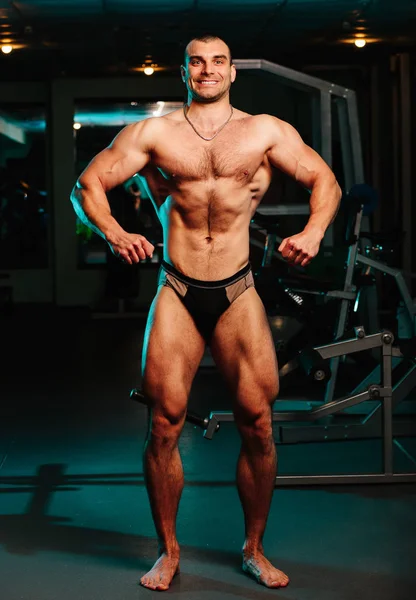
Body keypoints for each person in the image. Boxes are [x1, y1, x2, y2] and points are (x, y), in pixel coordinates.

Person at [70, 34, 341, 591]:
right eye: (198, 61)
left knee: (259, 426)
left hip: (238, 290)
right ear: (185, 71)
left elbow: (325, 182)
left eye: (219, 61)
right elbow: (87, 185)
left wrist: (313, 231)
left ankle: (254, 548)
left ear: (232, 72)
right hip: (178, 288)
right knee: (164, 425)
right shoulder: (155, 134)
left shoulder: (265, 131)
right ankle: (168, 552)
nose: (209, 70)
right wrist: (116, 231)